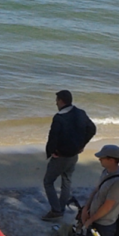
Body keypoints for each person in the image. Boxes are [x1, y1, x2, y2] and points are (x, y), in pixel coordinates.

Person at [42, 90, 97, 220]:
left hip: (61, 156)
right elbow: (92, 129)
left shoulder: (59, 118)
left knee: (48, 182)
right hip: (73, 155)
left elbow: (53, 138)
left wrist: (51, 152)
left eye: (57, 100)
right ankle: (60, 208)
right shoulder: (80, 113)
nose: (56, 103)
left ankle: (56, 211)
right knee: (66, 181)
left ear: (61, 101)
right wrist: (82, 144)